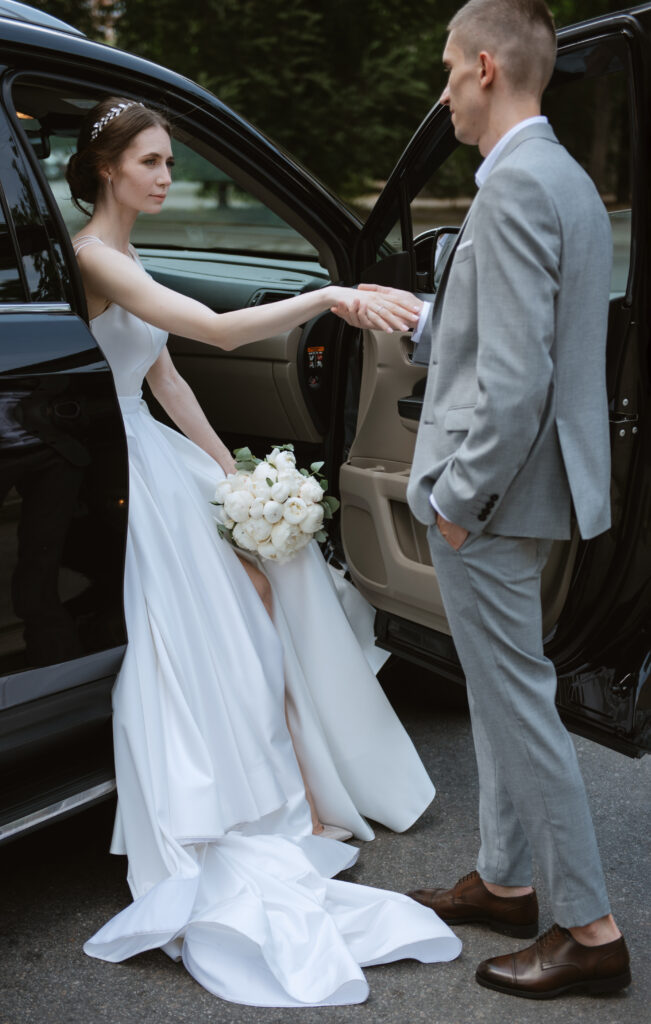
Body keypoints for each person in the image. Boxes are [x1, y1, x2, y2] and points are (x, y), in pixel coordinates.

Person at [67, 96, 461, 1007]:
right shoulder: (93, 257)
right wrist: (327, 295)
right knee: (204, 642)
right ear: (105, 171)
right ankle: (240, 802)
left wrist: (232, 482)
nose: (166, 177)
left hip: (162, 459)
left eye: (169, 162)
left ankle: (302, 789)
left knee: (254, 615)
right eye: (152, 163)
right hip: (127, 472)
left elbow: (164, 375)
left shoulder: (124, 255)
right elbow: (209, 332)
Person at [344, 0, 631, 1000]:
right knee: (500, 696)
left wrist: (456, 498)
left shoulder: (513, 189)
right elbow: (516, 335)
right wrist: (424, 321)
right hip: (535, 489)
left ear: (480, 67)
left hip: (495, 496)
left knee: (517, 709)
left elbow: (514, 383)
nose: (441, 90)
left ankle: (588, 930)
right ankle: (507, 883)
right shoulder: (562, 181)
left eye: (443, 70)